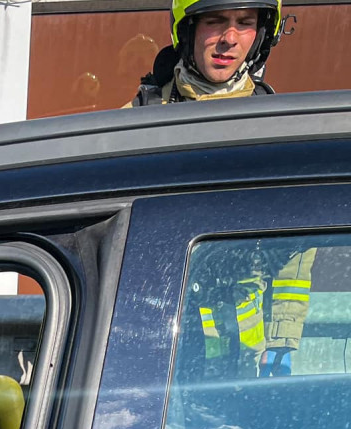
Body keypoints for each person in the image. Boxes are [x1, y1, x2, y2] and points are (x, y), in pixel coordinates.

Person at [128, 0, 314, 377]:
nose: (229, 39)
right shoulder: (138, 123)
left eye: (244, 23)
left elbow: (295, 250)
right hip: (156, 344)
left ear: (262, 35)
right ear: (188, 30)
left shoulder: (276, 131)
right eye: (215, 22)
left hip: (242, 361)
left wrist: (281, 342)